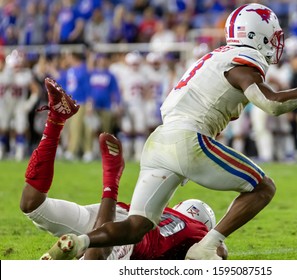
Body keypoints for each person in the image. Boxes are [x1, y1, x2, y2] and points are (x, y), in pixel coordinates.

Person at [42, 3, 297, 260]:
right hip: (189, 139)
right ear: (258, 34)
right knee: (264, 187)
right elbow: (272, 103)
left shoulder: (215, 57)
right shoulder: (243, 60)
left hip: (159, 140)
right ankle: (206, 246)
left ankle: (80, 242)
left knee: (138, 225)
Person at [20, 78, 226, 260]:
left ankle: (56, 119)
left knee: (32, 205)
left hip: (117, 213)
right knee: (94, 261)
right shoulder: (198, 231)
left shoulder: (170, 212)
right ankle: (111, 179)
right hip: (128, 236)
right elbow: (221, 253)